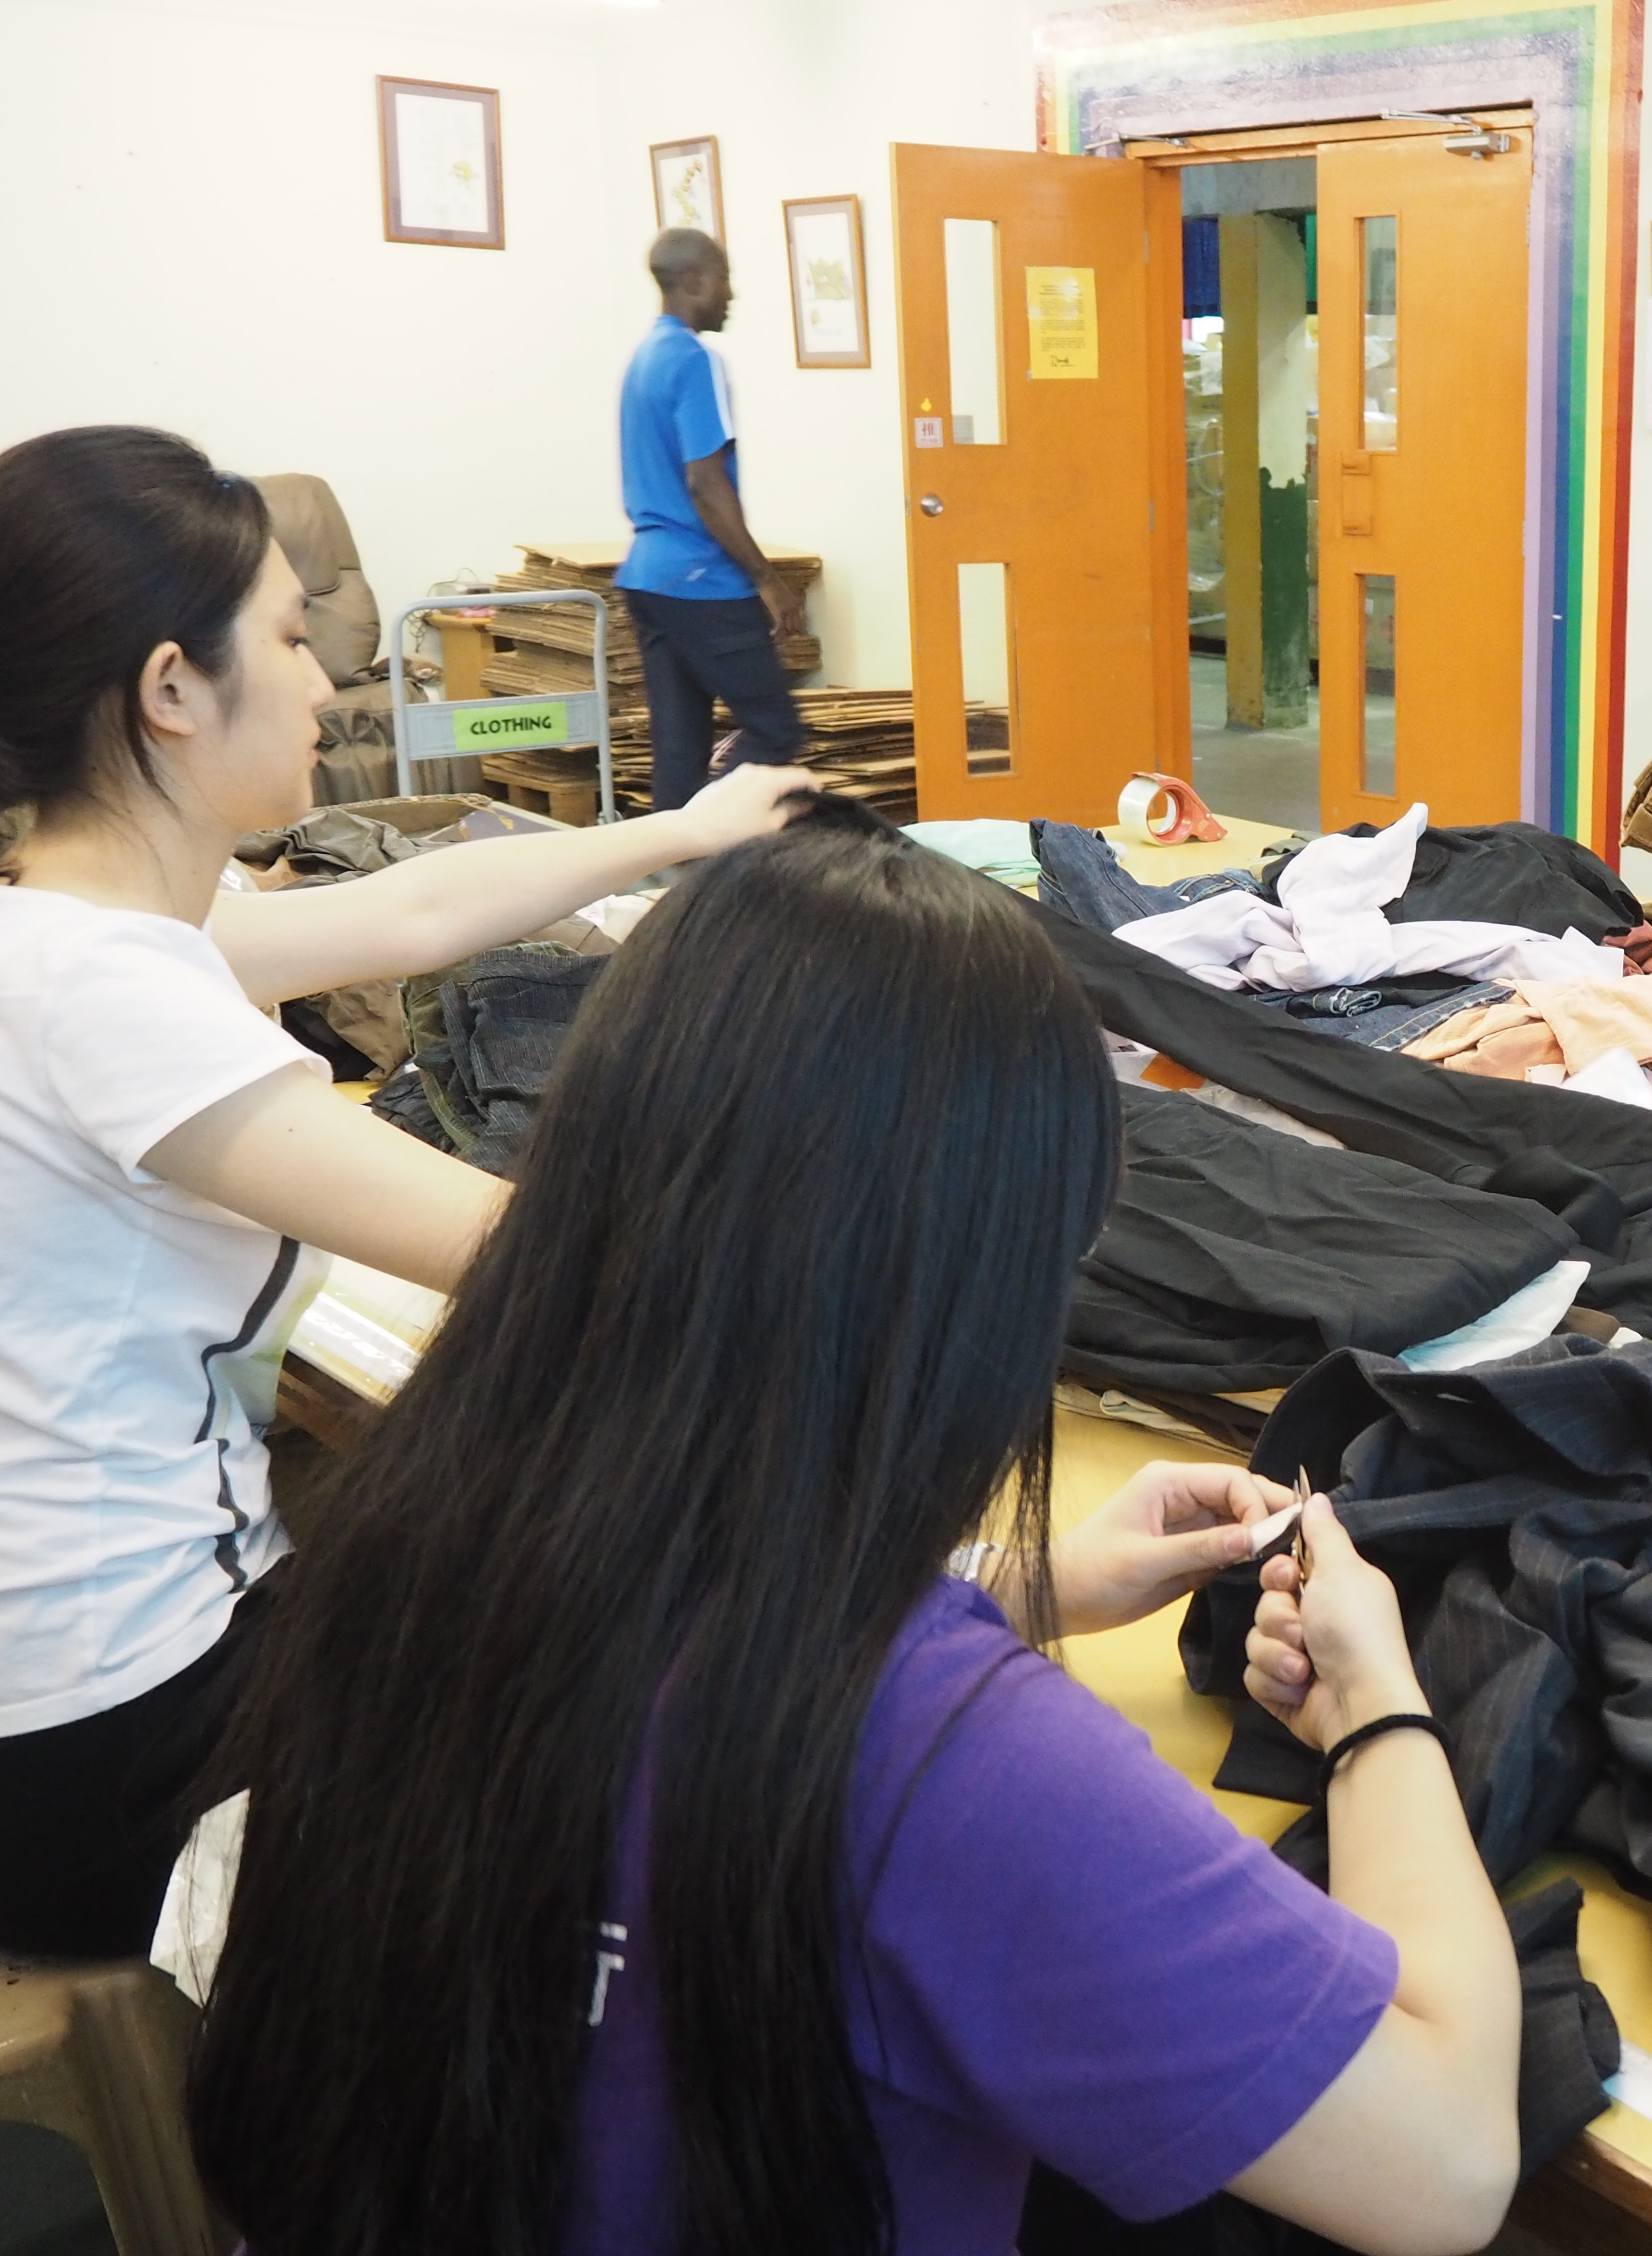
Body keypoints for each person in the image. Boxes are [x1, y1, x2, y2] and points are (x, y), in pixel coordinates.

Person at [185, 802, 1523, 2256]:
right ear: (966, 1281)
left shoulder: (402, 1545)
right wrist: (1379, 1702)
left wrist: (1033, 1586)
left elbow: (691, 1658)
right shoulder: (951, 1766)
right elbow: (1446, 2166)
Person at [0, 425, 812, 1958]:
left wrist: (691, 830)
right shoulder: (101, 988)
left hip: (67, 1694)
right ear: (171, 688)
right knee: (674, 1685)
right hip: (115, 1751)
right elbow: (521, 1251)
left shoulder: (66, 930)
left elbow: (415, 905)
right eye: (292, 639)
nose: (324, 684)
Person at [619, 228, 810, 811]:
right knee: (776, 728)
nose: (732, 294)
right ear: (695, 281)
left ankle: (676, 879)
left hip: (648, 580)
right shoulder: (694, 361)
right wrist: (766, 579)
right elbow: (706, 483)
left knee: (679, 753)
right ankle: (720, 834)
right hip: (701, 580)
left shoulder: (645, 357)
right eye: (724, 279)